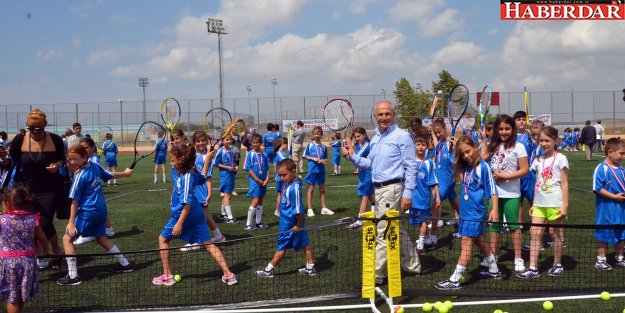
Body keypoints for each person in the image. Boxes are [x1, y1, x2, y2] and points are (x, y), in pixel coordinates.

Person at [342, 100, 421, 284]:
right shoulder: (376, 138)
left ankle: (374, 276)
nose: (384, 117)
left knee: (382, 233)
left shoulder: (402, 136)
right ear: (375, 116)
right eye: (380, 114)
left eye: (387, 114)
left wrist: (408, 194)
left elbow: (411, 167)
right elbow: (370, 164)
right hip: (379, 190)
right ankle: (413, 265)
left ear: (394, 116)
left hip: (393, 189)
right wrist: (352, 156)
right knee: (395, 229)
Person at [153, 143, 237, 286]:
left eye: (173, 160)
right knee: (208, 244)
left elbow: (187, 203)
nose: (171, 163)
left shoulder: (186, 177)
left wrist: (179, 223)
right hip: (198, 214)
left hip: (184, 215)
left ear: (181, 160)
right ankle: (229, 274)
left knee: (163, 239)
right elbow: (203, 178)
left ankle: (167, 276)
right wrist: (207, 161)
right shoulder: (192, 172)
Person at [58, 145, 134, 285]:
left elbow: (74, 201)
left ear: (84, 158)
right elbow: (110, 175)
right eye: (69, 159)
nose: (72, 162)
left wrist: (71, 222)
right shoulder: (95, 165)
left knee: (66, 239)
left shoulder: (79, 176)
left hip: (89, 212)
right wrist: (124, 173)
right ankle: (125, 264)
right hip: (101, 211)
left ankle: (73, 276)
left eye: (75, 159)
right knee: (101, 238)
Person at [1, 109, 66, 269]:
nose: (35, 132)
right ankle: (48, 254)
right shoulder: (19, 140)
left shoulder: (55, 139)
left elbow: (63, 160)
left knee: (43, 223)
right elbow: (11, 164)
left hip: (50, 189)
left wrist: (57, 165)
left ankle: (51, 252)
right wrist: (3, 158)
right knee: (33, 224)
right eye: (31, 129)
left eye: (39, 129)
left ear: (45, 126)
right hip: (25, 190)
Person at [435, 136, 499, 290]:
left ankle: (455, 279)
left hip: (475, 212)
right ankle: (494, 269)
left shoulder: (483, 167)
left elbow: (493, 190)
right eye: (463, 154)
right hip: (465, 211)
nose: (466, 156)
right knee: (478, 240)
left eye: (468, 151)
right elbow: (452, 161)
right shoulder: (465, 166)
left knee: (466, 244)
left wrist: (495, 210)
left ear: (475, 147)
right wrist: (454, 144)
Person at [517, 126, 569, 279]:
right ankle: (533, 267)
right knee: (535, 233)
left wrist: (565, 204)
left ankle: (557, 265)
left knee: (555, 234)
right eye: (541, 140)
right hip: (539, 204)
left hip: (555, 203)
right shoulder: (538, 160)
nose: (544, 143)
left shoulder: (561, 158)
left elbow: (565, 183)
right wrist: (533, 203)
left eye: (547, 140)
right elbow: (537, 183)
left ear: (555, 140)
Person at [480, 114, 529, 273]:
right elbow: (483, 158)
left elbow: (524, 170)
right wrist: (484, 141)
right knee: (494, 226)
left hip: (512, 193)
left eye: (507, 128)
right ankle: (492, 256)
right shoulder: (494, 145)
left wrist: (505, 176)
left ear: (512, 129)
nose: (503, 132)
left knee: (514, 225)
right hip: (494, 193)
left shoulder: (518, 147)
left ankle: (518, 258)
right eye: (500, 129)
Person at [256, 158, 316, 278]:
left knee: (282, 246)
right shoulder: (289, 183)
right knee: (305, 243)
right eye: (280, 175)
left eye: (284, 175)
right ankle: (310, 267)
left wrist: (298, 226)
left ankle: (269, 270)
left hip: (290, 224)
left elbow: (299, 211)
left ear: (293, 171)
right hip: (288, 221)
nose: (282, 178)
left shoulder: (294, 189)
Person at [0, 184, 48, 313]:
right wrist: (46, 250)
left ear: (7, 202)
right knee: (21, 294)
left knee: (12, 297)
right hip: (27, 262)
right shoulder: (32, 219)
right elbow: (42, 238)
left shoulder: (2, 220)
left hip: (8, 263)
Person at [179, 131, 226, 252]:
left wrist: (209, 193)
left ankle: (198, 241)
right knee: (204, 216)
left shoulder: (207, 157)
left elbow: (208, 177)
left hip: (202, 191)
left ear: (207, 141)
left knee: (200, 218)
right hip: (193, 190)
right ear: (194, 143)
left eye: (203, 140)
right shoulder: (193, 155)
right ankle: (219, 237)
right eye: (198, 141)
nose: (200, 143)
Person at [72, 137, 116, 245]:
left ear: (92, 148)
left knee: (87, 211)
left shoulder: (93, 160)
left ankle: (87, 234)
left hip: (90, 192)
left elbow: (102, 172)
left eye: (86, 148)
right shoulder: (88, 159)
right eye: (82, 148)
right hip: (92, 191)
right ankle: (108, 229)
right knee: (99, 210)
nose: (83, 150)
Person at [592, 138, 625, 271]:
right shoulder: (602, 168)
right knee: (604, 232)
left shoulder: (621, 168)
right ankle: (601, 259)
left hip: (621, 208)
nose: (623, 156)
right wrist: (614, 197)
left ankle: (619, 258)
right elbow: (597, 188)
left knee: (622, 232)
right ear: (610, 152)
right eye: (621, 153)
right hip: (606, 209)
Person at [412, 136, 441, 254]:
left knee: (423, 220)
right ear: (414, 145)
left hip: (423, 196)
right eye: (418, 144)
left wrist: (437, 196)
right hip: (412, 196)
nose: (420, 147)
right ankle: (427, 240)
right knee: (419, 220)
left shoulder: (429, 163)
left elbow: (433, 181)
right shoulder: (409, 160)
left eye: (423, 145)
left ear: (427, 146)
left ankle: (420, 246)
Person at [431, 118, 460, 235]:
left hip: (446, 181)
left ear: (445, 129)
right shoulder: (440, 144)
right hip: (443, 180)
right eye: (436, 132)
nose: (438, 134)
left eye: (440, 132)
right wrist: (432, 130)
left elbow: (456, 159)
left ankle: (432, 235)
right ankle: (463, 223)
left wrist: (456, 147)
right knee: (453, 202)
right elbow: (434, 139)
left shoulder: (450, 144)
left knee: (435, 203)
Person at [346, 127, 375, 229]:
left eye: (359, 136)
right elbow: (352, 158)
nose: (357, 138)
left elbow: (355, 156)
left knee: (364, 195)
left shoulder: (367, 145)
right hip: (362, 173)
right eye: (355, 137)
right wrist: (347, 153)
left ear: (364, 135)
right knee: (370, 196)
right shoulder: (359, 145)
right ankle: (376, 212)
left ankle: (360, 219)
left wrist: (349, 146)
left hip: (368, 173)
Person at [303, 126, 334, 217]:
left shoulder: (323, 147)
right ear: (313, 134)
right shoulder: (310, 145)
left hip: (321, 170)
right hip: (312, 170)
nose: (316, 135)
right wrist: (313, 158)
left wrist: (324, 161)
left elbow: (325, 158)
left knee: (322, 189)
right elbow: (305, 156)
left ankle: (324, 208)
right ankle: (309, 209)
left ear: (321, 135)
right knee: (311, 189)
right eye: (315, 133)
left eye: (318, 134)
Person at [242, 133, 270, 231]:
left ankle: (258, 222)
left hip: (263, 182)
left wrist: (266, 179)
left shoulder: (264, 155)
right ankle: (248, 224)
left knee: (261, 201)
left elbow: (267, 169)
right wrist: (257, 180)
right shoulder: (250, 154)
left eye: (257, 143)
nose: (255, 144)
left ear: (261, 143)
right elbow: (247, 168)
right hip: (255, 182)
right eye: (253, 143)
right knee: (255, 201)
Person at [213, 136, 239, 224]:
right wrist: (227, 167)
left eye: (230, 139)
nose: (229, 141)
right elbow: (215, 163)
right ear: (222, 141)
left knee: (228, 195)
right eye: (227, 139)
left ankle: (223, 214)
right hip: (225, 175)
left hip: (231, 175)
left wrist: (235, 165)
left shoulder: (231, 150)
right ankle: (230, 218)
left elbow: (232, 161)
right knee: (227, 195)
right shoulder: (221, 151)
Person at [273, 138, 290, 217]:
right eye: (287, 144)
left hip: (281, 177)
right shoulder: (280, 153)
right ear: (283, 144)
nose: (287, 146)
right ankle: (278, 210)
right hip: (281, 178)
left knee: (283, 194)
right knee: (281, 194)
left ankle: (281, 209)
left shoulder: (281, 153)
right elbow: (285, 162)